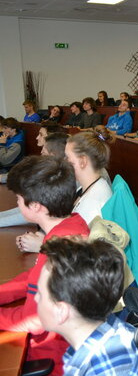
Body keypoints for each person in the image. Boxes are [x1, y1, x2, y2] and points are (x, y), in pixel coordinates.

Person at [1, 155, 91, 374]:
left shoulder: (60, 247)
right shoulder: (72, 225)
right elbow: (33, 277)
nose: (17, 203)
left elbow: (36, 321)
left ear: (36, 206)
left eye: (19, 199)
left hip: (49, 355)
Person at [36, 237, 138, 375]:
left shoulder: (105, 370)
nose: (35, 299)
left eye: (39, 294)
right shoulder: (113, 330)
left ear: (61, 312)